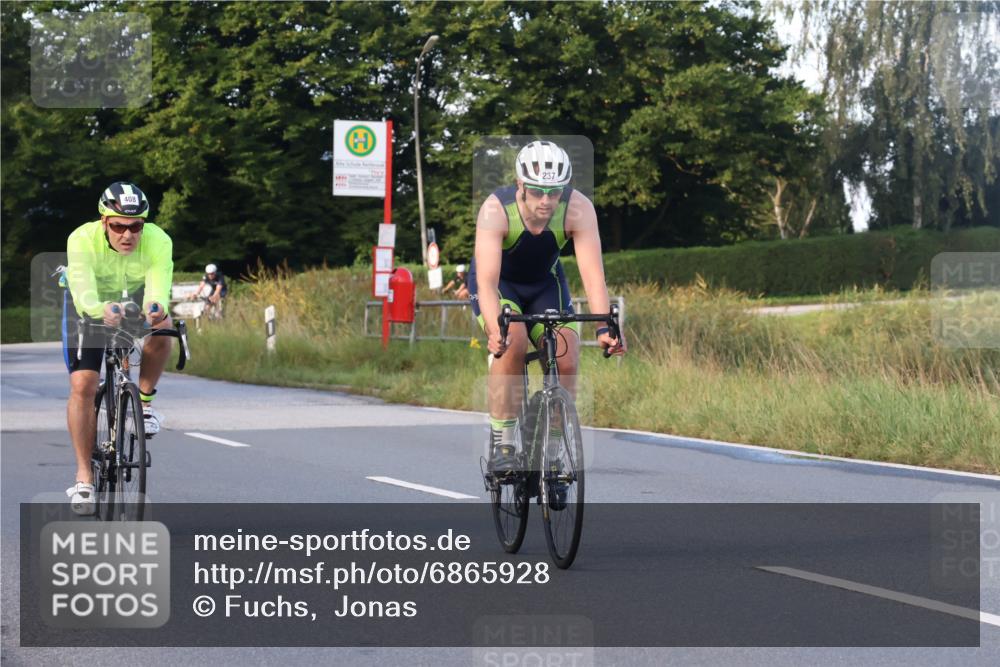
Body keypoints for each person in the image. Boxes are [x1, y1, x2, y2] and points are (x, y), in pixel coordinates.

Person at [469, 140, 625, 472]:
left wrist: (603, 328)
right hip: (500, 286)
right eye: (538, 191)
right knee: (513, 341)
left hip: (545, 285)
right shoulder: (496, 209)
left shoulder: (578, 208)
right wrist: (495, 330)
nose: (546, 200)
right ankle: (504, 441)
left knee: (567, 358)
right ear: (521, 185)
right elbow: (486, 281)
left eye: (554, 192)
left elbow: (593, 275)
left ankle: (553, 448)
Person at [62, 182, 174, 514]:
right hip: (87, 301)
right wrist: (100, 311)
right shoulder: (81, 239)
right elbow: (83, 291)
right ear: (103, 222)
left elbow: (158, 286)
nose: (127, 235)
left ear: (144, 225)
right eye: (118, 226)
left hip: (132, 295)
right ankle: (84, 477)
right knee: (82, 383)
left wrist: (154, 309)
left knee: (164, 326)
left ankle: (144, 401)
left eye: (136, 226)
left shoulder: (159, 240)